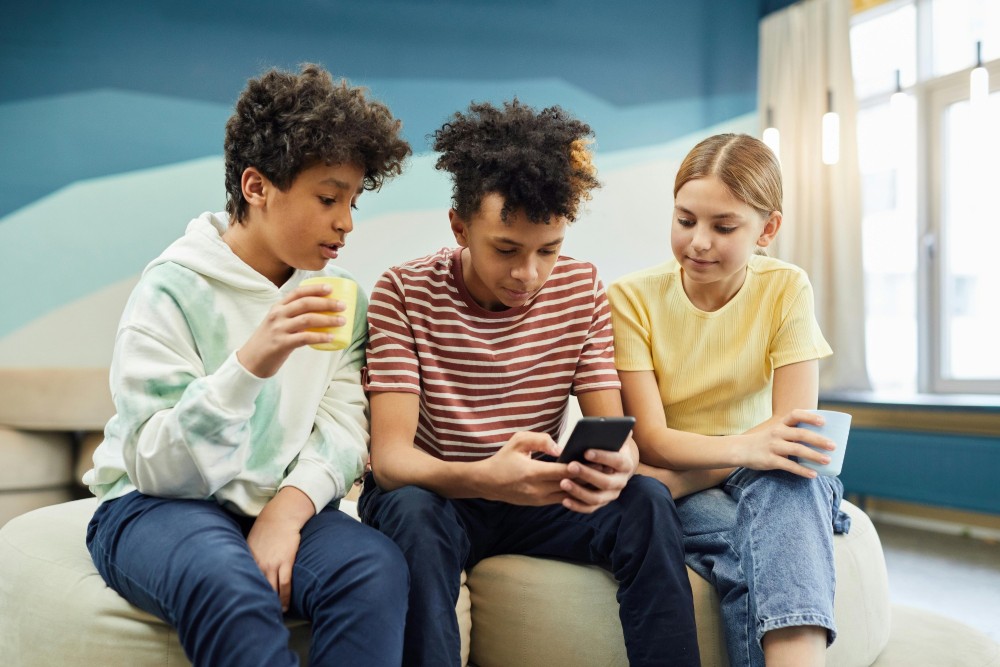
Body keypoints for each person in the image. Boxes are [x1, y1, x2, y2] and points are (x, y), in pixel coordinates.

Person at [82, 64, 412, 667]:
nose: (347, 222)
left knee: (375, 569)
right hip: (153, 504)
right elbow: (160, 469)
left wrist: (285, 515)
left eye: (353, 201)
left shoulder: (341, 296)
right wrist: (252, 363)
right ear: (256, 187)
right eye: (328, 197)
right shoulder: (171, 289)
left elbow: (342, 431)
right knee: (224, 580)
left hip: (275, 499)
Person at [358, 99, 700, 667]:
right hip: (441, 493)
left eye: (549, 250)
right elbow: (391, 459)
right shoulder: (402, 292)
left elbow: (613, 427)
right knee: (412, 512)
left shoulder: (583, 288)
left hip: (532, 494)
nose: (529, 275)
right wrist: (485, 478)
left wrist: (617, 464)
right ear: (460, 226)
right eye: (506, 249)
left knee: (646, 499)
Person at [607, 132, 851, 667]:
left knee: (792, 486)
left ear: (768, 229)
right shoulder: (630, 298)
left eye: (723, 227)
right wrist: (742, 451)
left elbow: (791, 442)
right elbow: (652, 440)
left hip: (725, 475)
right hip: (689, 476)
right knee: (759, 542)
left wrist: (700, 471)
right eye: (685, 219)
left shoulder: (787, 287)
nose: (698, 241)